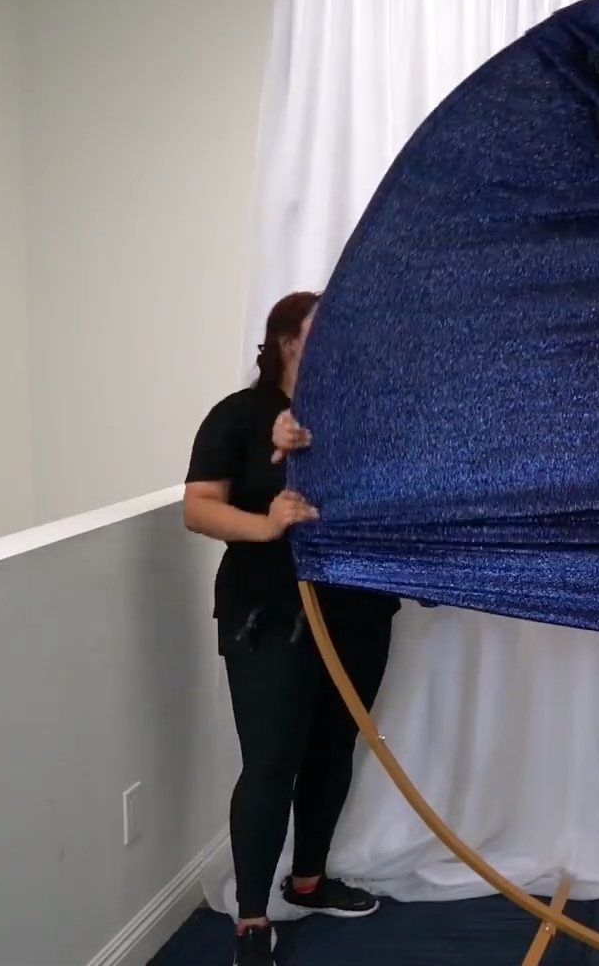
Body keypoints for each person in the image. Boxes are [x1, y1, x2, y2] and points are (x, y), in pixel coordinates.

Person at [183, 290, 400, 966]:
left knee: (333, 750)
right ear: (284, 343)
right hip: (269, 616)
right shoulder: (238, 417)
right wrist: (268, 525)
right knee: (273, 762)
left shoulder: (359, 418)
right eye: (314, 334)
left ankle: (307, 880)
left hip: (357, 613)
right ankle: (251, 919)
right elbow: (198, 510)